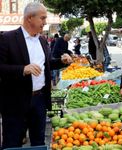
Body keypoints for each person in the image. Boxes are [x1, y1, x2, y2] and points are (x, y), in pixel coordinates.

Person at [0, 2, 72, 148]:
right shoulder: (7, 38)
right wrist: (22, 69)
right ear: (29, 18)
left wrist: (62, 62)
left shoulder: (42, 40)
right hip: (15, 101)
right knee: (13, 142)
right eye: (42, 18)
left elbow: (47, 64)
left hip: (39, 100)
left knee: (39, 141)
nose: (45, 23)